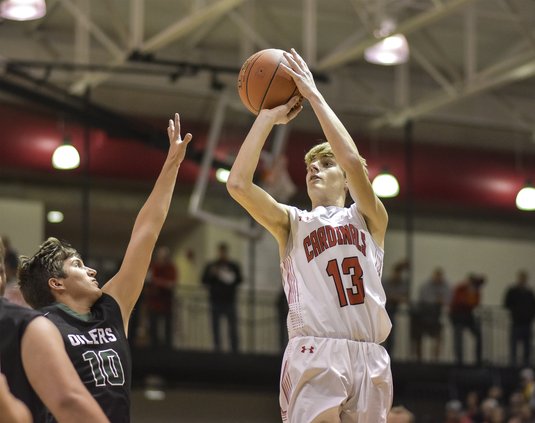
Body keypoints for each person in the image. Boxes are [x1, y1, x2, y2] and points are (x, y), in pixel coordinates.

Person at [227, 48, 392, 422]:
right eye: (311, 165)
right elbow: (238, 184)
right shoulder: (293, 222)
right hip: (315, 351)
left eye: (326, 163)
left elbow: (351, 159)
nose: (315, 167)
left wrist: (313, 94)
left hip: (370, 354)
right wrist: (267, 117)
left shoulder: (369, 217)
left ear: (348, 179)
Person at [18, 113, 192, 422]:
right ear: (56, 283)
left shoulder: (111, 309)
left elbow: (146, 233)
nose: (92, 271)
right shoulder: (40, 327)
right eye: (78, 265)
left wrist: (171, 166)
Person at [0, 236, 109, 422]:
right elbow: (68, 401)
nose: (92, 271)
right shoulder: (34, 325)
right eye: (78, 264)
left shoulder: (108, 312)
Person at [201, 242, 243, 353]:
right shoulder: (212, 266)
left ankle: (235, 350)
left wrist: (228, 275)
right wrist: (212, 274)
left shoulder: (233, 266)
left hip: (230, 301)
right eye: (221, 252)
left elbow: (239, 280)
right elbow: (204, 280)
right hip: (215, 301)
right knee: (215, 328)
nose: (222, 254)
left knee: (232, 328)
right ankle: (217, 349)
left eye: (224, 252)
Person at [410, 267, 451, 361]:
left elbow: (448, 298)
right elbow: (425, 299)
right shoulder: (425, 286)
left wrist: (439, 301)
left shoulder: (445, 286)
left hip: (436, 317)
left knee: (438, 338)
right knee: (418, 338)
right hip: (422, 316)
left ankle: (435, 359)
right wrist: (437, 300)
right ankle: (418, 359)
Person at [145, 245, 178, 348]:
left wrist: (156, 281)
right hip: (153, 303)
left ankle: (167, 349)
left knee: (167, 329)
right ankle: (154, 348)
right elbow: (147, 280)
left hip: (166, 303)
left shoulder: (171, 268)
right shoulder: (153, 266)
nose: (161, 258)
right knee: (153, 327)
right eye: (159, 255)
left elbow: (171, 284)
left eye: (163, 256)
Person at [449, 273, 485, 365]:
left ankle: (478, 359)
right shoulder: (460, 288)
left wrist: (470, 298)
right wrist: (469, 299)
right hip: (457, 315)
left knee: (478, 334)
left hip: (468, 316)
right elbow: (458, 301)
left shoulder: (476, 291)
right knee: (458, 338)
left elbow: (475, 303)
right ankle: (459, 360)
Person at [503, 270, 535, 367]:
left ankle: (526, 364)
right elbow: (507, 303)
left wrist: (530, 316)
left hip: (527, 323)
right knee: (514, 346)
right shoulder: (512, 291)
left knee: (527, 347)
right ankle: (513, 364)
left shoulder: (529, 293)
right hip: (516, 322)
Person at [383, 259, 410, 354]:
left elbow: (404, 298)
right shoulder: (386, 282)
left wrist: (395, 298)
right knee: (383, 335)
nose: (397, 275)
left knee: (392, 337)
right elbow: (384, 296)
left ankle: (390, 355)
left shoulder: (402, 284)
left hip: (394, 312)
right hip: (384, 311)